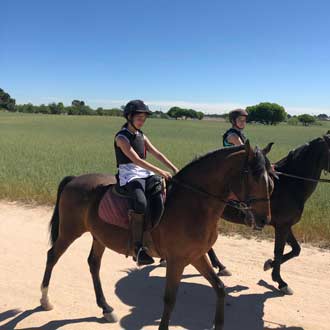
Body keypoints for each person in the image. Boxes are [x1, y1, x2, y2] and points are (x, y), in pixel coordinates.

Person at [114, 100, 178, 266]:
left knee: (161, 194)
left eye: (144, 118)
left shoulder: (142, 135)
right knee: (141, 202)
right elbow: (135, 159)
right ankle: (138, 247)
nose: (142, 120)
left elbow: (157, 154)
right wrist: (160, 171)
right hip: (129, 175)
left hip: (145, 173)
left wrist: (174, 168)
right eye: (139, 117)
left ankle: (157, 236)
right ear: (129, 117)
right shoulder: (121, 137)